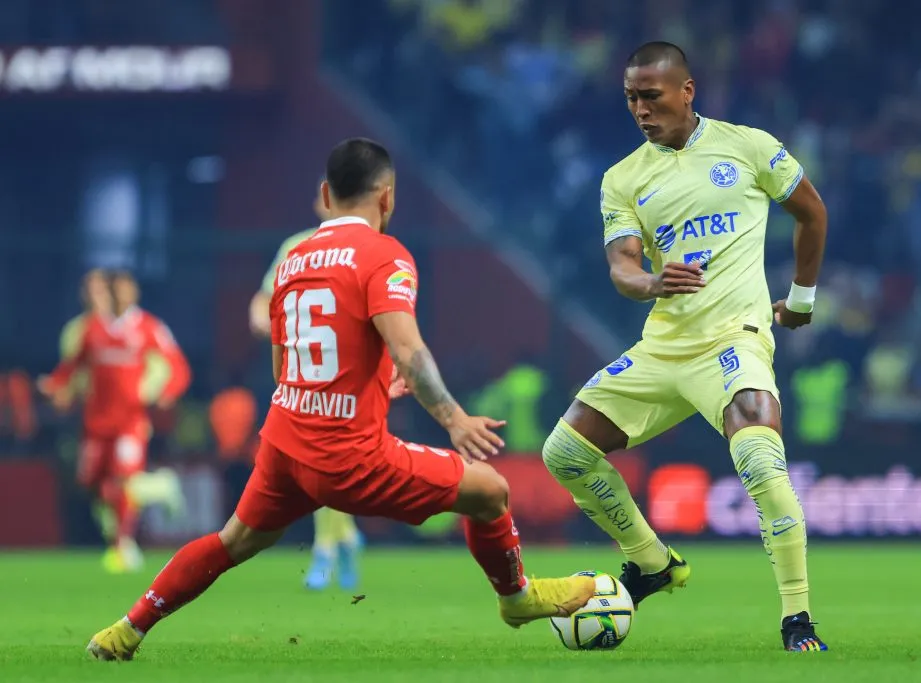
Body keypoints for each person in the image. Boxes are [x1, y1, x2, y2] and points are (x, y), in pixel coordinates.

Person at [86, 137, 595, 661]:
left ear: (327, 195)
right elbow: (409, 350)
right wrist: (453, 418)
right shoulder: (385, 255)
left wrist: (371, 382)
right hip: (347, 455)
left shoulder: (292, 260)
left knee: (232, 541)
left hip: (285, 445)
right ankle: (517, 599)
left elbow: (286, 369)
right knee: (490, 490)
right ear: (388, 197)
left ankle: (127, 628)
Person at [540, 42, 830, 653]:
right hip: (663, 348)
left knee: (761, 462)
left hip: (733, 339)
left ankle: (798, 619)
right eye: (631, 99)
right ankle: (651, 563)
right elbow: (622, 267)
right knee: (564, 453)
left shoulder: (748, 146)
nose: (641, 110)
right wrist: (652, 282)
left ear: (687, 91)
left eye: (651, 96)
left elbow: (812, 213)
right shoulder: (622, 178)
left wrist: (801, 301)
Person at [40, 270, 191, 573]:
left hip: (131, 420)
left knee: (123, 481)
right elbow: (73, 365)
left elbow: (178, 365)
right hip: (96, 421)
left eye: (124, 290)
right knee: (94, 484)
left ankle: (122, 546)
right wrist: (55, 384)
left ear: (134, 293)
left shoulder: (148, 327)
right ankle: (162, 487)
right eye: (114, 290)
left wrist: (168, 391)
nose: (119, 295)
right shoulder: (92, 329)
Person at [249, 195, 364, 591]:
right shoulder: (295, 246)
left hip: (349, 370)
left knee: (326, 461)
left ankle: (325, 549)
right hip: (304, 369)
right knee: (322, 463)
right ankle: (344, 537)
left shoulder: (364, 246)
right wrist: (261, 318)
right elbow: (264, 297)